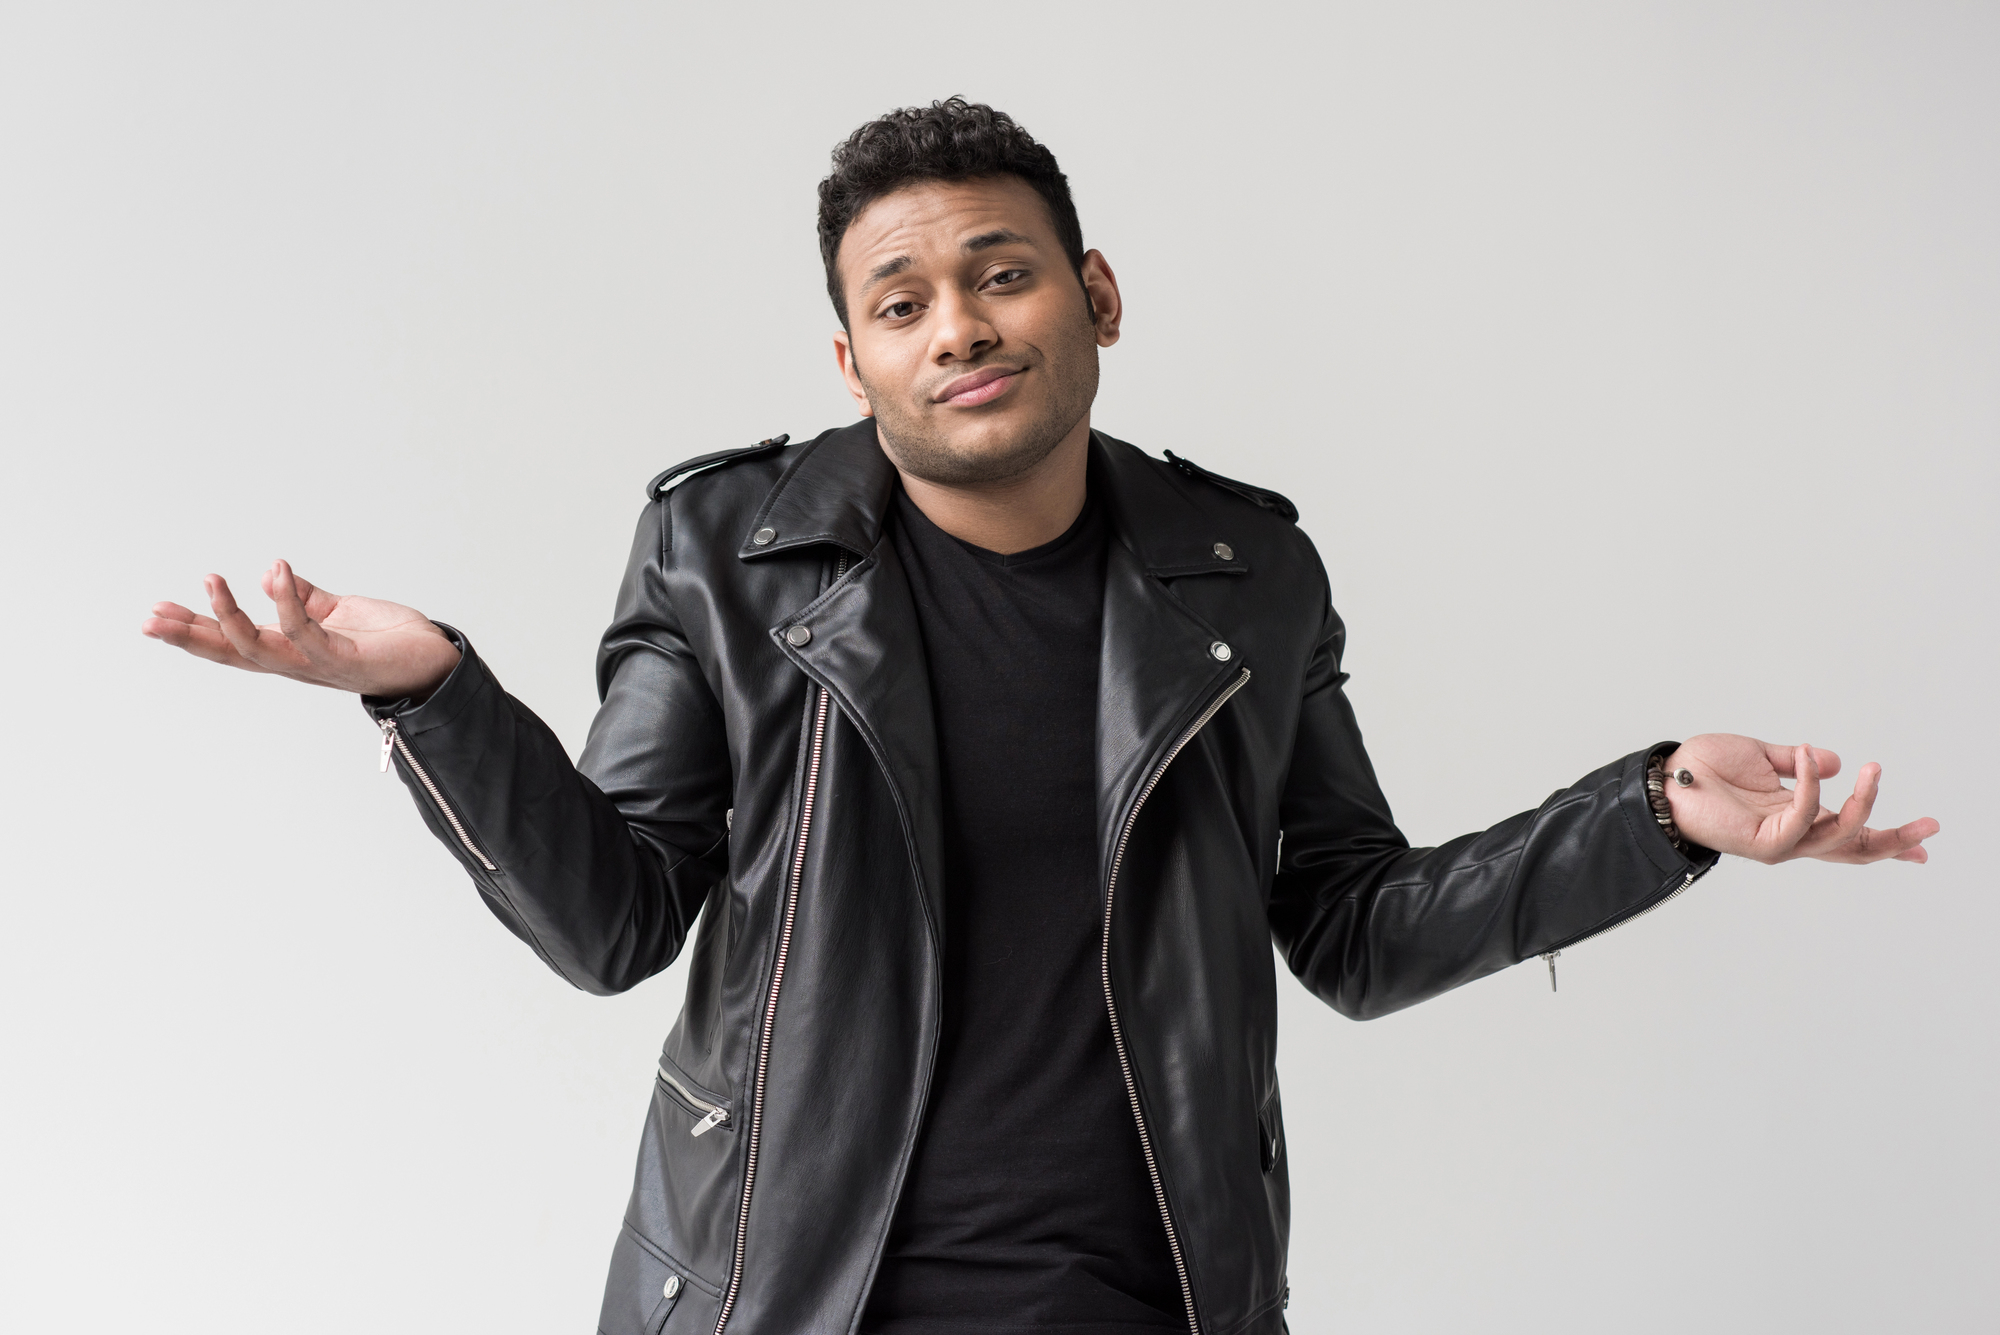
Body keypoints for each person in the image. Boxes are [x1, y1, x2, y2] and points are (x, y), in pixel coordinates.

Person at [139, 98, 1937, 1335]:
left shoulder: (1244, 571)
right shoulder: (727, 555)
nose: (959, 328)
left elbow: (1355, 926)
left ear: (1095, 297)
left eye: (1001, 274)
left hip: (1145, 1297)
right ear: (851, 362)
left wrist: (1653, 811)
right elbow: (614, 919)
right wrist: (431, 694)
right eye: (899, 303)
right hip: (789, 1297)